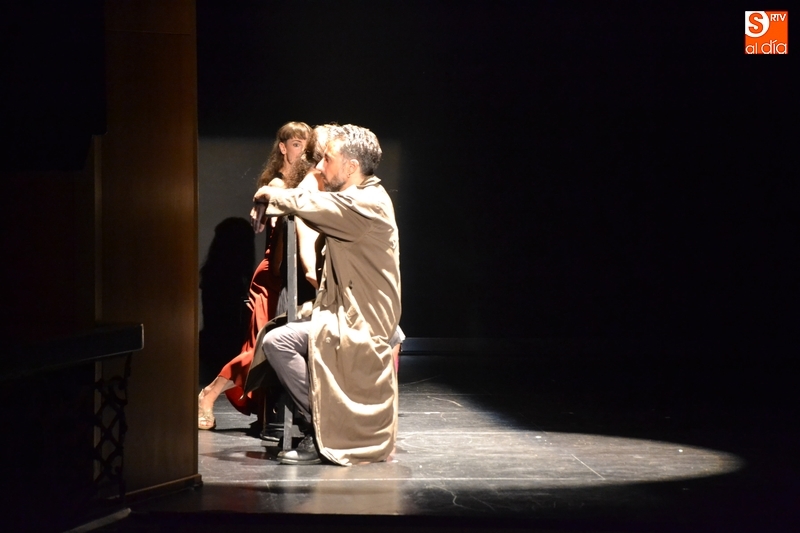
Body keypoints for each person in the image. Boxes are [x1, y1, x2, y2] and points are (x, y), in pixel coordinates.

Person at [253, 124, 401, 465]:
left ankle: (321, 430)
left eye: (328, 160)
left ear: (351, 166)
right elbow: (313, 198)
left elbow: (311, 202)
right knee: (275, 339)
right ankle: (321, 425)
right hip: (342, 312)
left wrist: (267, 193)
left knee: (280, 342)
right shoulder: (359, 196)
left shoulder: (365, 204)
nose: (319, 167)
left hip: (361, 323)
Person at [198, 121, 311, 430]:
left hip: (287, 277)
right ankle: (209, 393)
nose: (302, 152)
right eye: (297, 144)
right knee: (261, 348)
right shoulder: (277, 185)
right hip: (272, 278)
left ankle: (266, 412)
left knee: (271, 347)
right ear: (283, 148)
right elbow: (277, 244)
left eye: (307, 145)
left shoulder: (302, 186)